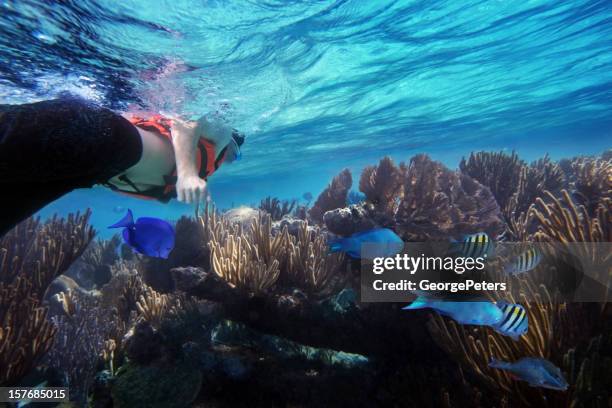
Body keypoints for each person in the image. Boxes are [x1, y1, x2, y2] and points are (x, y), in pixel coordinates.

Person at [0, 96, 244, 236]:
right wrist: (188, 173)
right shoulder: (222, 136)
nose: (229, 160)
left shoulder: (208, 162)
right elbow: (187, 121)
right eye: (234, 154)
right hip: (98, 136)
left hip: (90, 170)